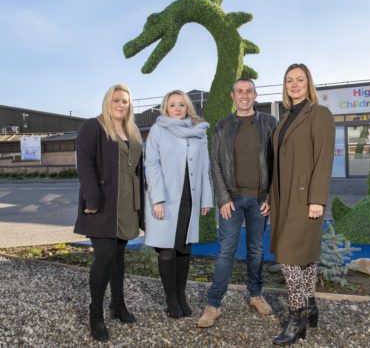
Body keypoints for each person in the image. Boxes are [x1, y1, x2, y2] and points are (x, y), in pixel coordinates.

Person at [197, 77, 278, 328]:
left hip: (259, 200)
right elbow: (216, 164)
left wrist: (271, 197)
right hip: (230, 201)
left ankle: (255, 295)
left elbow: (278, 164)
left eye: (249, 91)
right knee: (225, 252)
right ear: (233, 96)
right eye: (239, 91)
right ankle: (213, 304)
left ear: (255, 95)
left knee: (256, 250)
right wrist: (222, 198)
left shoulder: (269, 123)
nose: (244, 95)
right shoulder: (222, 126)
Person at [270, 64, 335, 345]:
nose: (294, 84)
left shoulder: (318, 114)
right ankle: (310, 309)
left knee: (287, 256)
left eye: (300, 79)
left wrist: (317, 199)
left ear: (309, 84)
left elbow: (324, 157)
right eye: (289, 80)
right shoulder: (284, 118)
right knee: (306, 257)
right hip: (284, 198)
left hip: (306, 198)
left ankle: (296, 318)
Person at [74, 84, 144, 342]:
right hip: (102, 204)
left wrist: (143, 206)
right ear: (107, 101)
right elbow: (86, 165)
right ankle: (96, 314)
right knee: (104, 256)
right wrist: (92, 198)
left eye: (125, 101)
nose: (120, 104)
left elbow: (139, 170)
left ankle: (118, 305)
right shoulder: (93, 127)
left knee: (118, 257)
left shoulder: (133, 131)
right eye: (116, 100)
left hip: (128, 204)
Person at [144, 90, 213, 319]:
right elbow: (151, 165)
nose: (177, 108)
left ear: (187, 108)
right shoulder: (158, 131)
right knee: (166, 251)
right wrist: (158, 199)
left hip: (189, 199)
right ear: (165, 107)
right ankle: (171, 298)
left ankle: (181, 295)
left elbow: (205, 168)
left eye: (181, 104)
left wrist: (206, 199)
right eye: (172, 104)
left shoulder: (198, 132)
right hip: (166, 199)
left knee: (184, 250)